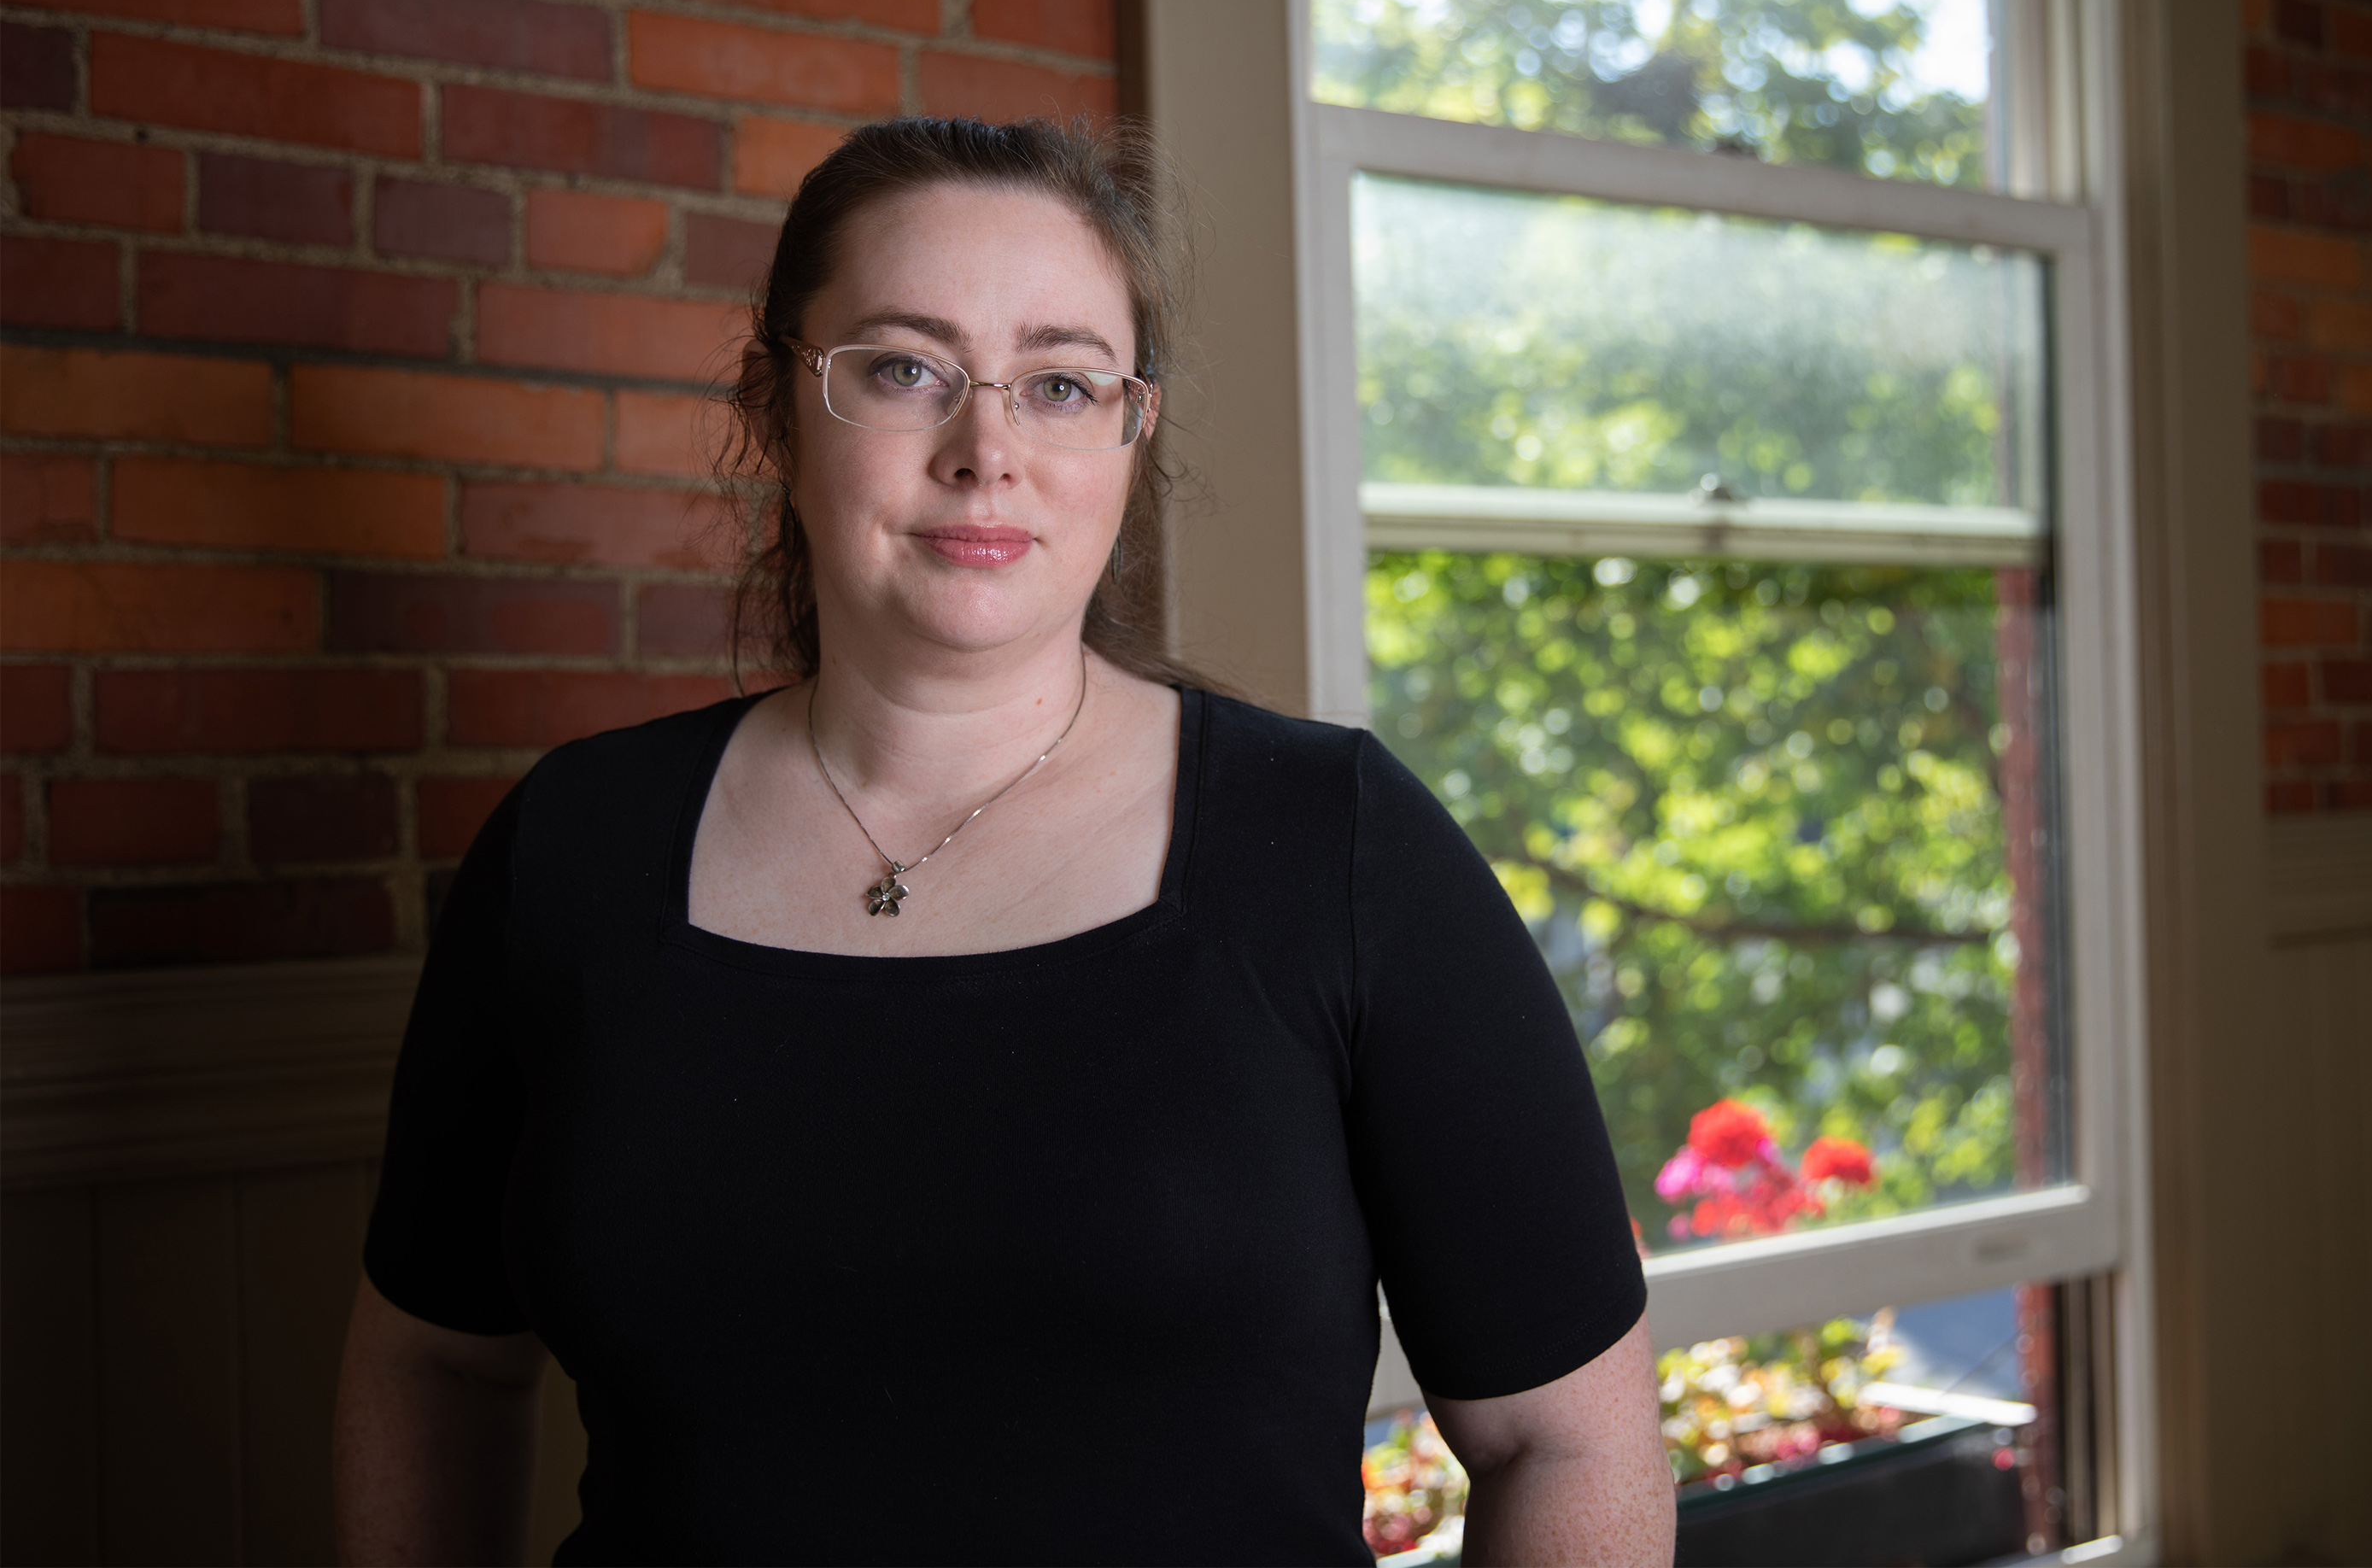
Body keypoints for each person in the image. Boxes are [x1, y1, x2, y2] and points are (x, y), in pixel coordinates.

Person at [332, 117, 1673, 1566]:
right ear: (776, 411)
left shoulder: (1338, 850)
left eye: (1059, 384)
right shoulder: (572, 850)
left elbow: (1570, 1437)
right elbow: (434, 1363)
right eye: (905, 369)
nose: (988, 452)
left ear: (1129, 434)